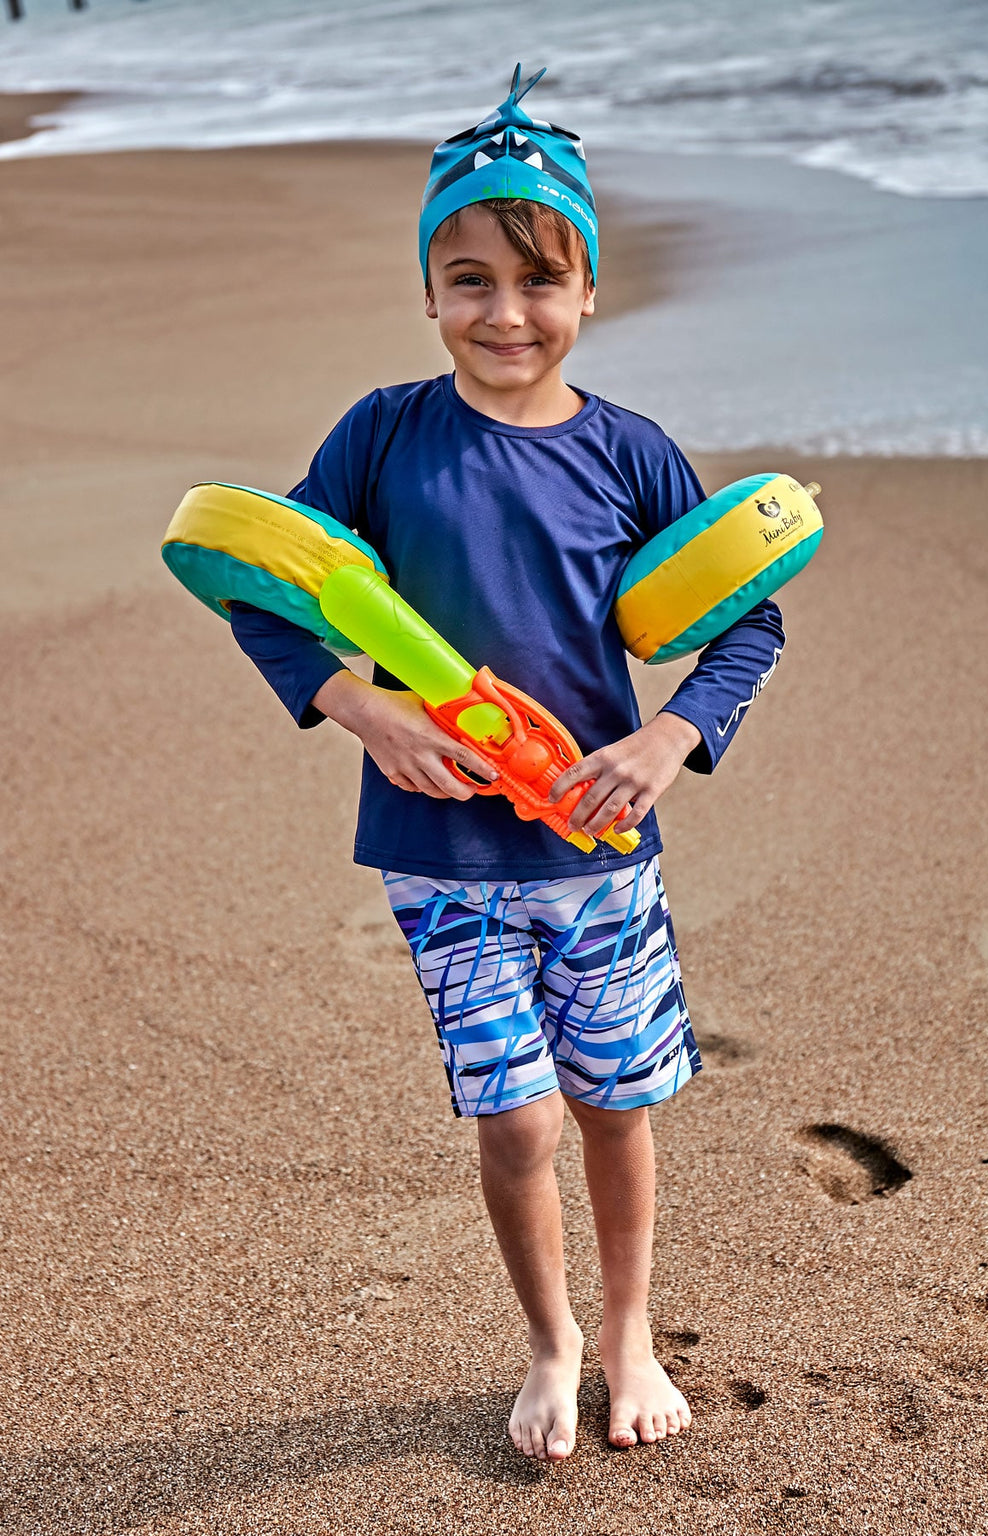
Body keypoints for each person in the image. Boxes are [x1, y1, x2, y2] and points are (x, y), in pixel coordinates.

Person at [230, 65, 785, 1462]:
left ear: (589, 291)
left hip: (597, 847)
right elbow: (259, 589)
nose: (506, 313)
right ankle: (551, 1344)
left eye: (540, 282)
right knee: (517, 1117)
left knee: (614, 1104)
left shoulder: (631, 455)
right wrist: (362, 711)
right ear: (428, 292)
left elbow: (750, 622)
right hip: (441, 855)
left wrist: (667, 736)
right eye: (468, 279)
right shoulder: (382, 435)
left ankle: (632, 1333)